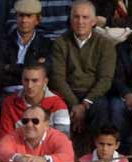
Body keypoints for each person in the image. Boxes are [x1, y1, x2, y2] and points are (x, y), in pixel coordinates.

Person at [49, 0, 115, 144]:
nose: (80, 21)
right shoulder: (61, 43)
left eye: (85, 17)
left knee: (101, 106)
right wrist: (75, 105)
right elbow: (57, 78)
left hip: (93, 95)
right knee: (54, 104)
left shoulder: (105, 44)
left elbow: (105, 79)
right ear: (70, 20)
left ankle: (96, 155)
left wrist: (84, 105)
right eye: (76, 17)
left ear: (93, 21)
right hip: (68, 93)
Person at [0, 0, 53, 109]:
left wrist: (9, 68)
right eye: (21, 15)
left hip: (36, 94)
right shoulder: (1, 43)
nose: (24, 20)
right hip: (6, 95)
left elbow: (44, 71)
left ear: (37, 20)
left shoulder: (46, 44)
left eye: (29, 16)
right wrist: (30, 67)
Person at [0, 64, 70, 139]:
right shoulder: (10, 103)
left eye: (34, 81)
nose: (29, 85)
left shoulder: (58, 104)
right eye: (26, 80)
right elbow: (5, 139)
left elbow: (62, 141)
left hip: (49, 150)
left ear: (45, 81)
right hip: (17, 149)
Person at [110, 2, 132, 153]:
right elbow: (117, 79)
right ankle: (121, 156)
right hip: (128, 92)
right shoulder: (122, 48)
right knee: (116, 107)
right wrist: (128, 95)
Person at [4, 0, 73, 41]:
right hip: (35, 42)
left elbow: (79, 22)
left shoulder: (70, 1)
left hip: (63, 42)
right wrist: (24, 38)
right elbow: (11, 21)